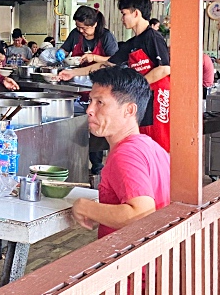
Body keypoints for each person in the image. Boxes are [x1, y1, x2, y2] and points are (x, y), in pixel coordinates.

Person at [59, 0, 171, 153]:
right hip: (141, 98)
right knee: (142, 142)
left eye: (124, 14)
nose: (122, 18)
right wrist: (73, 73)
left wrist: (137, 87)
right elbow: (106, 64)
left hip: (158, 98)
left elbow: (164, 68)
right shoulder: (132, 43)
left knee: (159, 144)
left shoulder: (152, 37)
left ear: (136, 13)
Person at [71, 67, 171, 236]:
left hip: (134, 259)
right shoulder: (151, 146)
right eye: (90, 101)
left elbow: (142, 213)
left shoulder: (125, 154)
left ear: (129, 110)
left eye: (100, 103)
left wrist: (84, 207)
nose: (89, 110)